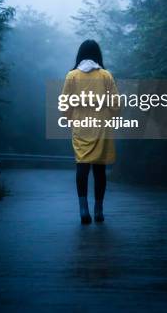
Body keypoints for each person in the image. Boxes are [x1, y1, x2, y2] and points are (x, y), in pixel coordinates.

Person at [61, 39, 120, 224]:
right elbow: (117, 105)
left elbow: (64, 105)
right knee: (100, 170)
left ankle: (83, 209)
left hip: (81, 128)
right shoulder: (106, 76)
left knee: (82, 167)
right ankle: (99, 210)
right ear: (98, 55)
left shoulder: (72, 76)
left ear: (80, 55)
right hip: (102, 128)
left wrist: (73, 120)